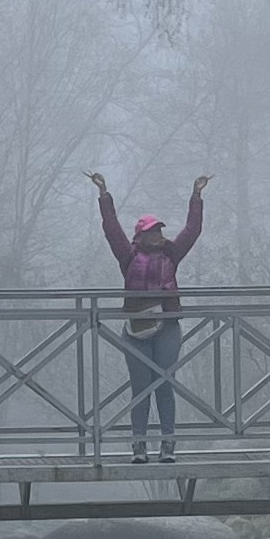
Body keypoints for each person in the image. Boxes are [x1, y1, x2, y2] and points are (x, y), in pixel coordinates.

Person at [89, 171, 207, 463]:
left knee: (164, 385)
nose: (157, 235)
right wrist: (104, 194)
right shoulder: (128, 255)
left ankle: (168, 446)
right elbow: (112, 229)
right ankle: (139, 447)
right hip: (136, 329)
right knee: (141, 390)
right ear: (140, 235)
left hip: (167, 327)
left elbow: (192, 230)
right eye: (152, 231)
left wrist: (196, 195)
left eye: (159, 230)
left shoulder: (171, 254)